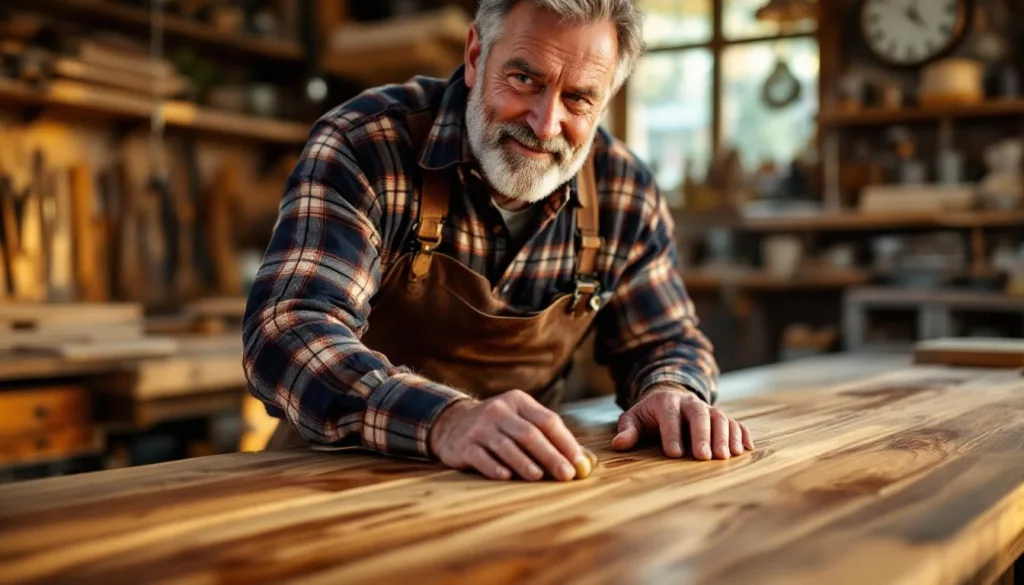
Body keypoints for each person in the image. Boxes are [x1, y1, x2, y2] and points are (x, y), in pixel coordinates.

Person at [243, 0, 753, 482]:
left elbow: (666, 340)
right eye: (524, 78)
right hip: (330, 488)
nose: (545, 123)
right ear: (474, 57)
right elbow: (287, 330)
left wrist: (672, 388)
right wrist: (444, 420)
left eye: (578, 98)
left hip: (515, 488)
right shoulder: (367, 143)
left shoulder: (625, 191)